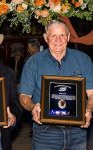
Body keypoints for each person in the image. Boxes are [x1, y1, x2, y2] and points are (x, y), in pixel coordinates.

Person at [19, 20, 93, 150]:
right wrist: (32, 107)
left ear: (68, 37)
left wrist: (88, 110)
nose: (58, 40)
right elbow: (24, 95)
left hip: (78, 131)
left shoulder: (83, 59)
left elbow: (91, 93)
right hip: (45, 133)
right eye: (53, 36)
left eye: (62, 35)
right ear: (45, 38)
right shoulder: (33, 62)